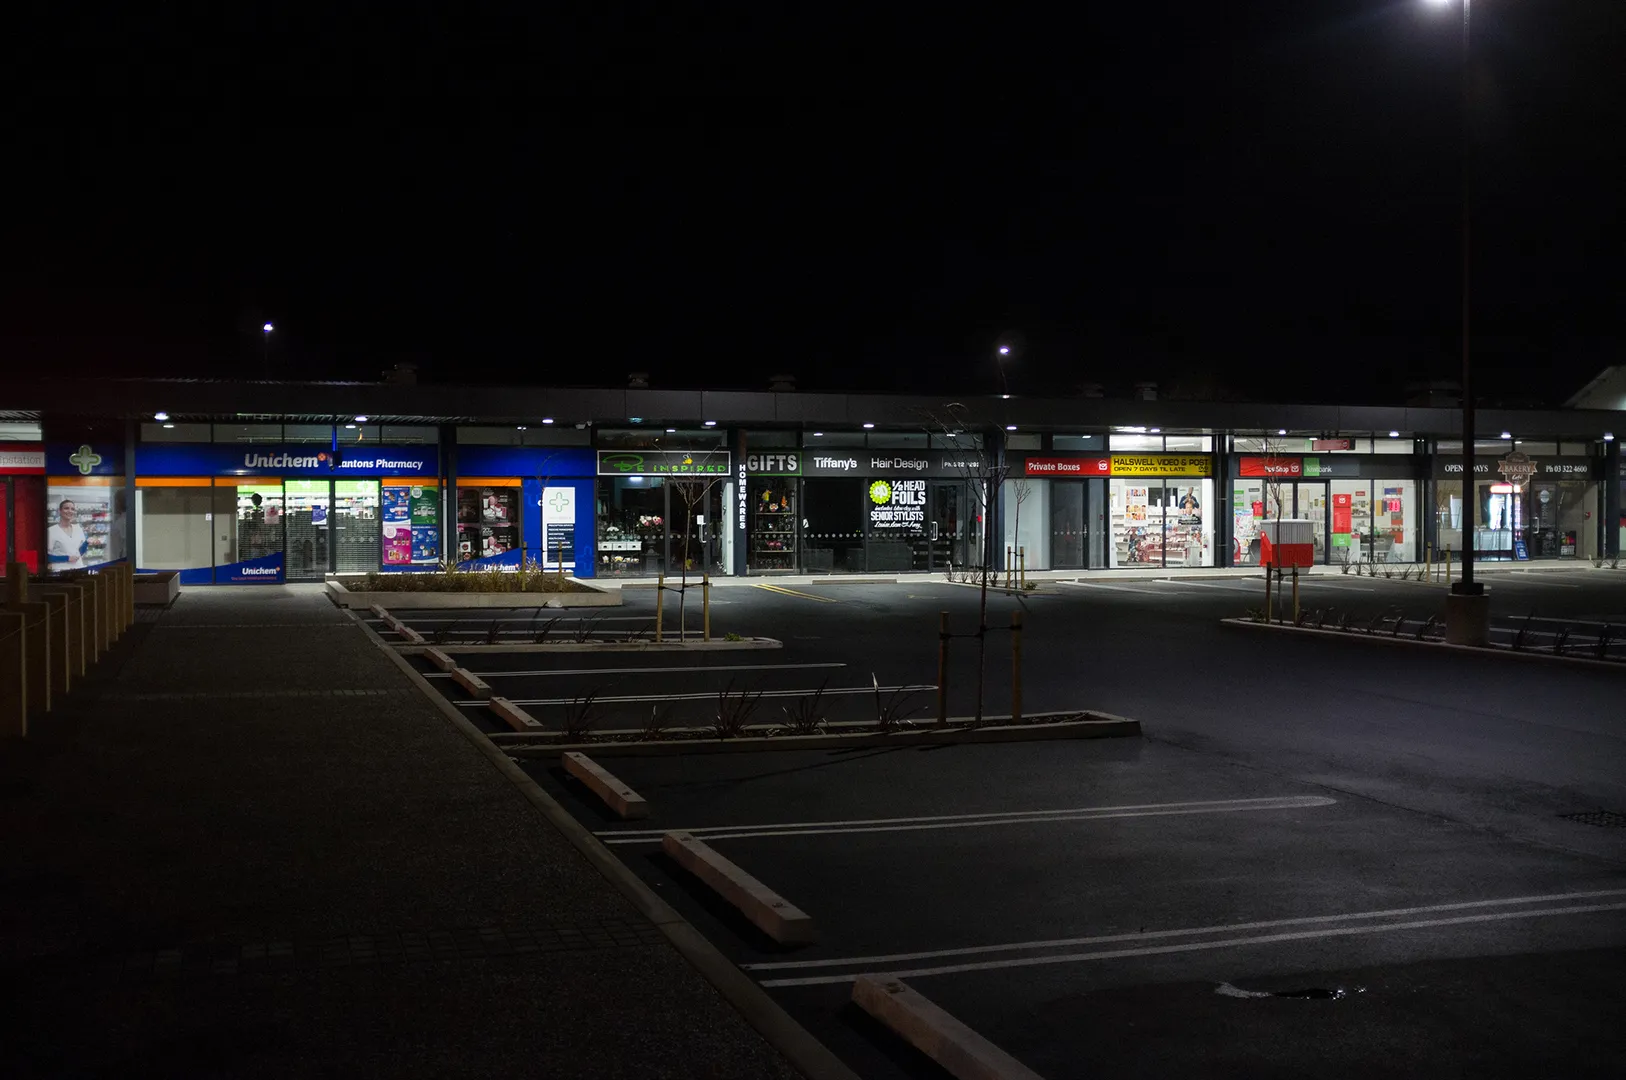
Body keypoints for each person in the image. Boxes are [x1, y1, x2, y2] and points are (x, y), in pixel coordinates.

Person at [46, 498, 89, 569]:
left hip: (78, 568)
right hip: (61, 570)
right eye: (66, 508)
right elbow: (46, 557)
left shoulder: (78, 528)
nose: (70, 511)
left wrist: (87, 543)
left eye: (72, 509)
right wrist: (66, 558)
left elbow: (80, 552)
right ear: (59, 511)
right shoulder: (51, 531)